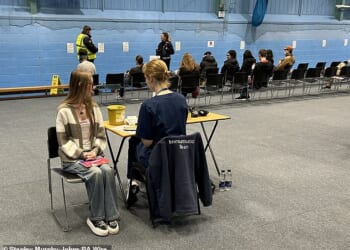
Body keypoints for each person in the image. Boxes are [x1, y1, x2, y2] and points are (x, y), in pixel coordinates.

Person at [56, 70, 120, 237]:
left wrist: (94, 151)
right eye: (90, 84)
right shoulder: (63, 111)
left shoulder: (94, 108)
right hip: (72, 159)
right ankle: (96, 218)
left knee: (107, 170)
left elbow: (101, 135)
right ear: (80, 86)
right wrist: (82, 154)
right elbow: (63, 142)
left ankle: (111, 215)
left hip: (93, 155)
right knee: (95, 172)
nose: (93, 87)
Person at [126, 59, 188, 207]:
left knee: (134, 142)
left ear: (151, 78)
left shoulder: (148, 105)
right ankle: (137, 181)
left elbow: (147, 141)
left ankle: (133, 181)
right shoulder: (181, 99)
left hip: (158, 155)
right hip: (180, 152)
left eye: (146, 79)